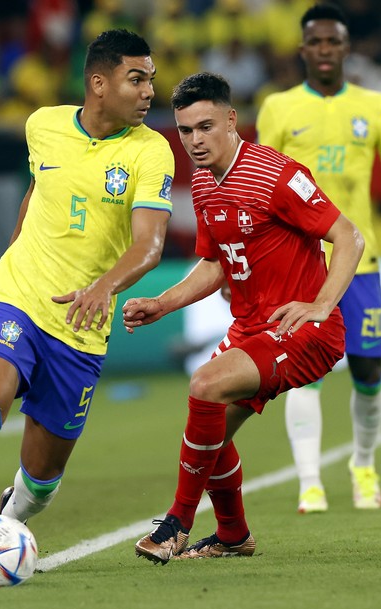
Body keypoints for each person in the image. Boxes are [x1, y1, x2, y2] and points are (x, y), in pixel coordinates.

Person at [0, 29, 175, 589]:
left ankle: (9, 520)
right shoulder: (43, 124)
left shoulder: (150, 149)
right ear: (99, 82)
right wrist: (18, 251)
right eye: (136, 79)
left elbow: (149, 245)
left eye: (150, 81)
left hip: (81, 329)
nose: (147, 92)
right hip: (18, 298)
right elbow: (39, 188)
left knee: (41, 481)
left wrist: (101, 289)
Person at [128, 72, 364, 564]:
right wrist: (163, 303)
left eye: (206, 127)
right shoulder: (203, 184)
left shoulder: (275, 174)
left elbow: (349, 237)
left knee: (205, 386)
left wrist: (321, 305)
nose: (195, 140)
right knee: (209, 433)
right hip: (251, 331)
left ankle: (176, 524)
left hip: (303, 331)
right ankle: (233, 536)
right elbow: (216, 263)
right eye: (186, 130)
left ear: (232, 120)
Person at [256, 3, 381, 515]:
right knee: (305, 372)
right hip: (301, 263)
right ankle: (309, 482)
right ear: (302, 49)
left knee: (368, 369)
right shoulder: (278, 108)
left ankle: (363, 464)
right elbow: (259, 184)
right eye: (315, 42)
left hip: (359, 262)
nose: (325, 50)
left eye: (333, 42)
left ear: (346, 48)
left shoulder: (374, 105)